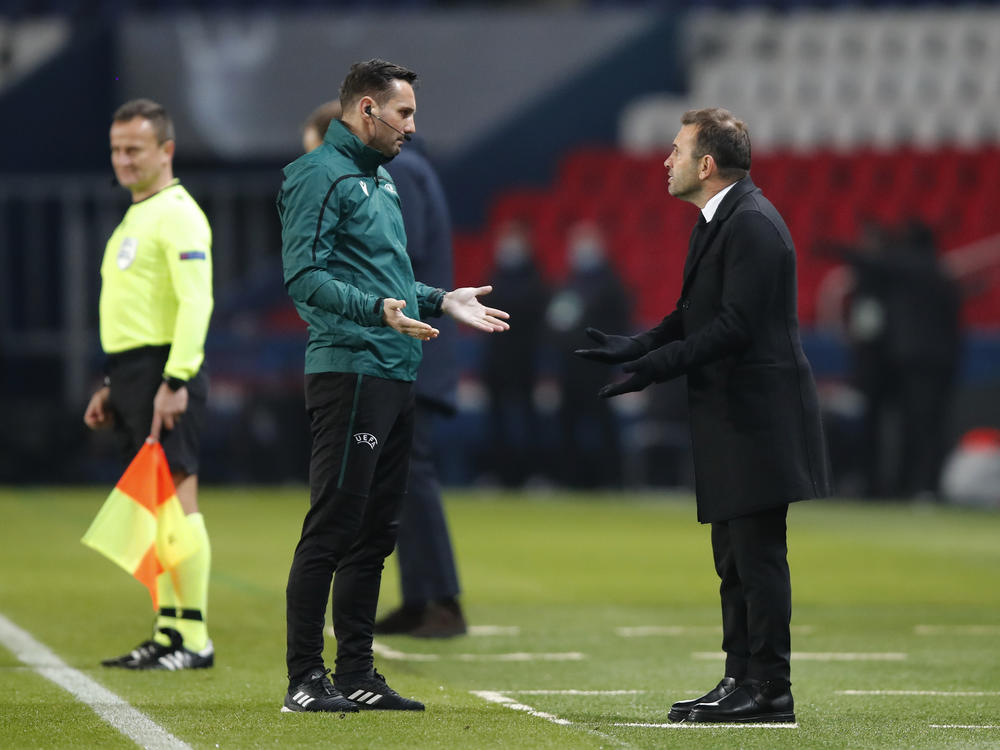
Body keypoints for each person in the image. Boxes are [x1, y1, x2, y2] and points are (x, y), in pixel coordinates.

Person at [575, 108, 829, 723]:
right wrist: (635, 347)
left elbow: (735, 328)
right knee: (734, 560)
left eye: (676, 150)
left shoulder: (753, 225)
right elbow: (693, 314)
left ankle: (771, 690)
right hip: (731, 416)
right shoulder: (722, 220)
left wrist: (657, 370)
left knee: (758, 556)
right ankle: (740, 678)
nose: (666, 160)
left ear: (706, 165)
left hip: (759, 418)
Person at [278, 59, 509, 714]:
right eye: (404, 113)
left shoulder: (379, 182)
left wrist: (441, 298)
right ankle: (304, 678)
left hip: (393, 368)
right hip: (350, 368)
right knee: (334, 525)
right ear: (367, 110)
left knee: (377, 529)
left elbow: (392, 283)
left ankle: (355, 673)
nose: (413, 127)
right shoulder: (317, 175)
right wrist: (372, 310)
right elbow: (304, 278)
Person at [303, 99, 469, 638]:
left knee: (409, 473)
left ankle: (441, 601)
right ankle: (423, 598)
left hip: (411, 343)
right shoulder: (386, 173)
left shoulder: (397, 173)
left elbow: (396, 259)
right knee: (394, 480)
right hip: (396, 340)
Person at [83, 99, 215, 671]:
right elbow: (131, 312)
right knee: (156, 511)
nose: (123, 159)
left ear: (166, 151)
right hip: (135, 375)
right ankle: (167, 633)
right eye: (116, 149)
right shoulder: (137, 216)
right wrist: (114, 384)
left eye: (134, 148)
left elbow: (196, 302)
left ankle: (196, 639)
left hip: (166, 372)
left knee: (178, 505)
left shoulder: (180, 214)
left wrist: (176, 378)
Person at [545, 221, 630, 488]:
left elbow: (620, 325)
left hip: (598, 365)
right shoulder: (568, 283)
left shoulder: (612, 283)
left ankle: (610, 480)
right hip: (571, 366)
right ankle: (572, 479)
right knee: (568, 424)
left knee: (603, 423)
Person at [480, 219, 550, 487]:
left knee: (529, 419)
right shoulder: (493, 276)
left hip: (524, 360)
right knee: (495, 420)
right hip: (496, 361)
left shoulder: (536, 279)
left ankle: (532, 474)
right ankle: (499, 475)